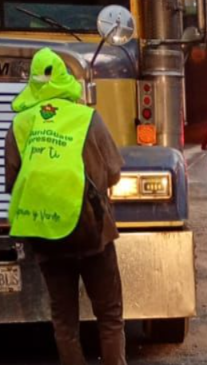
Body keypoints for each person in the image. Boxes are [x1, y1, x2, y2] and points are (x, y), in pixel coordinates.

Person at [5, 48, 126, 365]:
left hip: (46, 235)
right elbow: (113, 172)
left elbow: (11, 184)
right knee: (110, 316)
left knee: (64, 321)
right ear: (65, 78)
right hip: (92, 233)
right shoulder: (87, 117)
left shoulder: (20, 124)